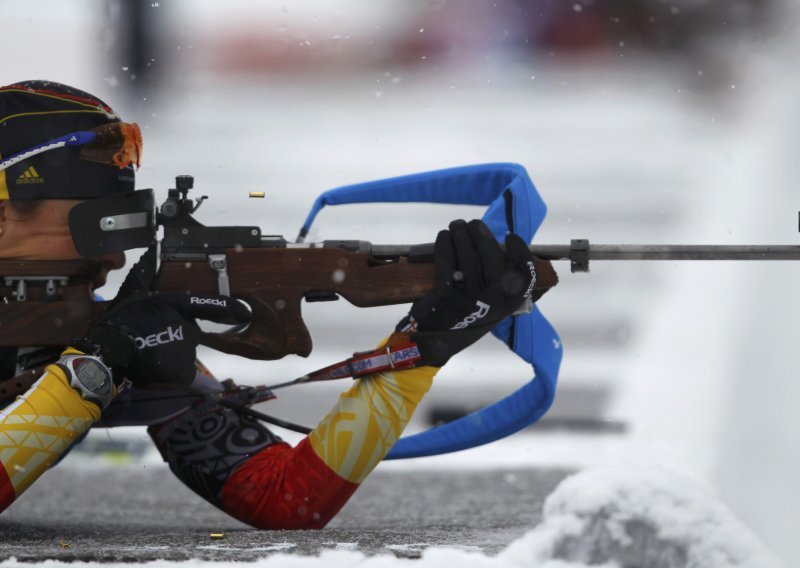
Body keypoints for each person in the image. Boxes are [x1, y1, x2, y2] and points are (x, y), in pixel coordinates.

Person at [0, 80, 536, 528]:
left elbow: (286, 499)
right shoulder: (93, 347)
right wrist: (91, 373)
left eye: (122, 224)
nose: (116, 255)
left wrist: (418, 350)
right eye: (92, 226)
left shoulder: (78, 330)